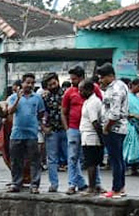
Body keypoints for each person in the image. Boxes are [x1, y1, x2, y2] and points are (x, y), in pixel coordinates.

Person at [4, 73, 45, 193]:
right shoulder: (13, 97)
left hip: (32, 133)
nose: (30, 85)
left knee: (34, 160)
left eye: (32, 83)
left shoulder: (37, 98)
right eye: (27, 82)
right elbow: (10, 111)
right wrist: (18, 98)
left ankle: (34, 184)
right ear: (22, 83)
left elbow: (41, 113)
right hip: (17, 133)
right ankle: (16, 183)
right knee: (16, 160)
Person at [61, 65, 96, 194]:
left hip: (89, 130)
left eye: (74, 79)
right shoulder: (69, 92)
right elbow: (63, 112)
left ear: (82, 78)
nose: (72, 82)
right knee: (72, 157)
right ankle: (72, 184)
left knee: (92, 158)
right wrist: (67, 129)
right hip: (74, 128)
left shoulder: (94, 89)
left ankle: (95, 184)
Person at [98, 63, 129, 198]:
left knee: (115, 160)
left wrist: (106, 128)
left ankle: (116, 189)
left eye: (102, 77)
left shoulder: (115, 89)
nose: (100, 80)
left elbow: (115, 113)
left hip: (114, 129)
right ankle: (120, 187)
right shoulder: (121, 85)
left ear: (110, 76)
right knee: (119, 158)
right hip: (119, 128)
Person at [78, 78, 105, 194]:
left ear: (88, 90)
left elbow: (95, 122)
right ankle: (93, 186)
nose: (80, 93)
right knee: (91, 163)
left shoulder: (93, 102)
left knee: (91, 163)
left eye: (81, 90)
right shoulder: (88, 101)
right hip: (87, 135)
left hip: (91, 136)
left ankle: (92, 187)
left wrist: (101, 137)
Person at [41, 72, 64, 192]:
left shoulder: (66, 94)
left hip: (66, 130)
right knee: (52, 159)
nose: (53, 86)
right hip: (52, 131)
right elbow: (40, 113)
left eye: (54, 83)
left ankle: (74, 183)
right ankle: (53, 184)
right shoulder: (45, 97)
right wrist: (43, 127)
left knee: (72, 158)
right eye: (50, 85)